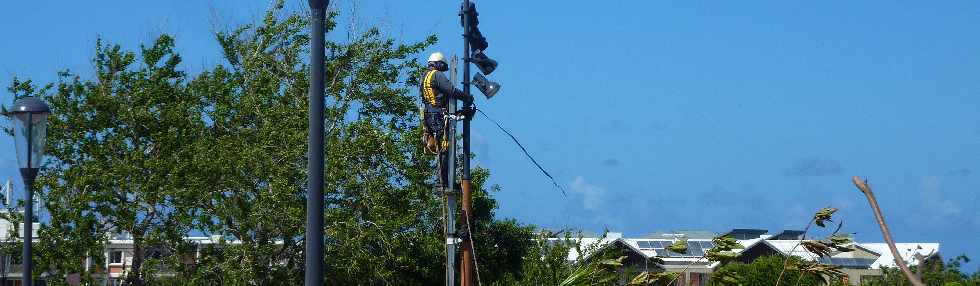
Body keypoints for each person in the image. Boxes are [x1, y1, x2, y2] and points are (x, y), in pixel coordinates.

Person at [420, 52, 472, 154]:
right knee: (444, 149)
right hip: (438, 115)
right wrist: (467, 98)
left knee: (439, 146)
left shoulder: (424, 76)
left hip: (428, 116)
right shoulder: (437, 75)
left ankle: (443, 167)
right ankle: (445, 168)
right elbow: (451, 91)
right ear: (438, 64)